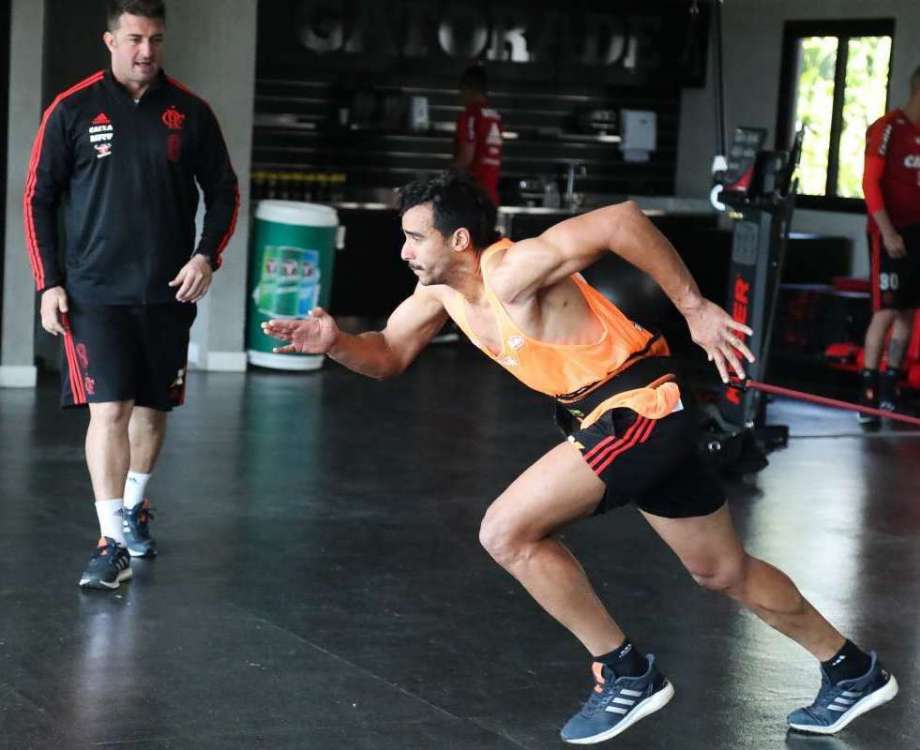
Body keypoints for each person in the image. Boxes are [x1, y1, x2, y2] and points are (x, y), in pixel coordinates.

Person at [263, 171, 897, 743]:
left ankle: (626, 672)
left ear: (459, 241)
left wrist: (696, 307)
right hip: (637, 415)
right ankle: (852, 669)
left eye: (415, 238)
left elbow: (622, 218)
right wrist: (335, 342)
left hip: (636, 406)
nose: (403, 252)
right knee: (721, 570)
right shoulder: (440, 297)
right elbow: (388, 356)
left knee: (506, 531)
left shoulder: (513, 269)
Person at [24, 0, 239, 590]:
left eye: (156, 39)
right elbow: (38, 199)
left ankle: (136, 507)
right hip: (94, 291)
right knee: (110, 408)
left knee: (151, 407)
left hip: (168, 290)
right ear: (111, 41)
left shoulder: (189, 112)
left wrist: (206, 255)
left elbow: (223, 189)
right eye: (136, 38)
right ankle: (109, 539)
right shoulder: (72, 109)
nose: (147, 50)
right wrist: (49, 282)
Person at [859, 64, 920, 424]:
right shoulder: (887, 128)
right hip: (889, 231)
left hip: (918, 232)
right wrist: (888, 231)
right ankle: (867, 393)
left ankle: (889, 389)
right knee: (885, 310)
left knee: (909, 310)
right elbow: (869, 184)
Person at [453, 65, 502, 206]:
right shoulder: (495, 116)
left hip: (471, 196)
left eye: (462, 89)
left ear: (469, 87)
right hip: (491, 196)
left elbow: (466, 157)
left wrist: (444, 181)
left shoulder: (471, 115)